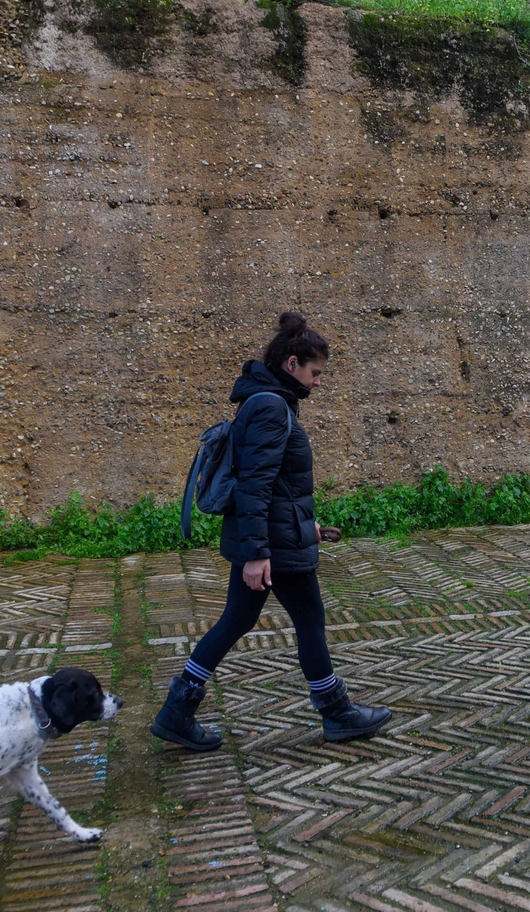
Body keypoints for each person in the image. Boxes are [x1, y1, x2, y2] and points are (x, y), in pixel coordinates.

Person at [152, 312, 391, 750]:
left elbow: (277, 483)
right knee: (310, 621)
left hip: (276, 535)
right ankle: (337, 714)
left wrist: (306, 525)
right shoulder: (270, 406)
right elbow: (255, 485)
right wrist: (258, 552)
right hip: (274, 545)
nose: (319, 381)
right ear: (291, 363)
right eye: (315, 372)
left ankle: (177, 709)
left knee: (238, 619)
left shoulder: (267, 400)